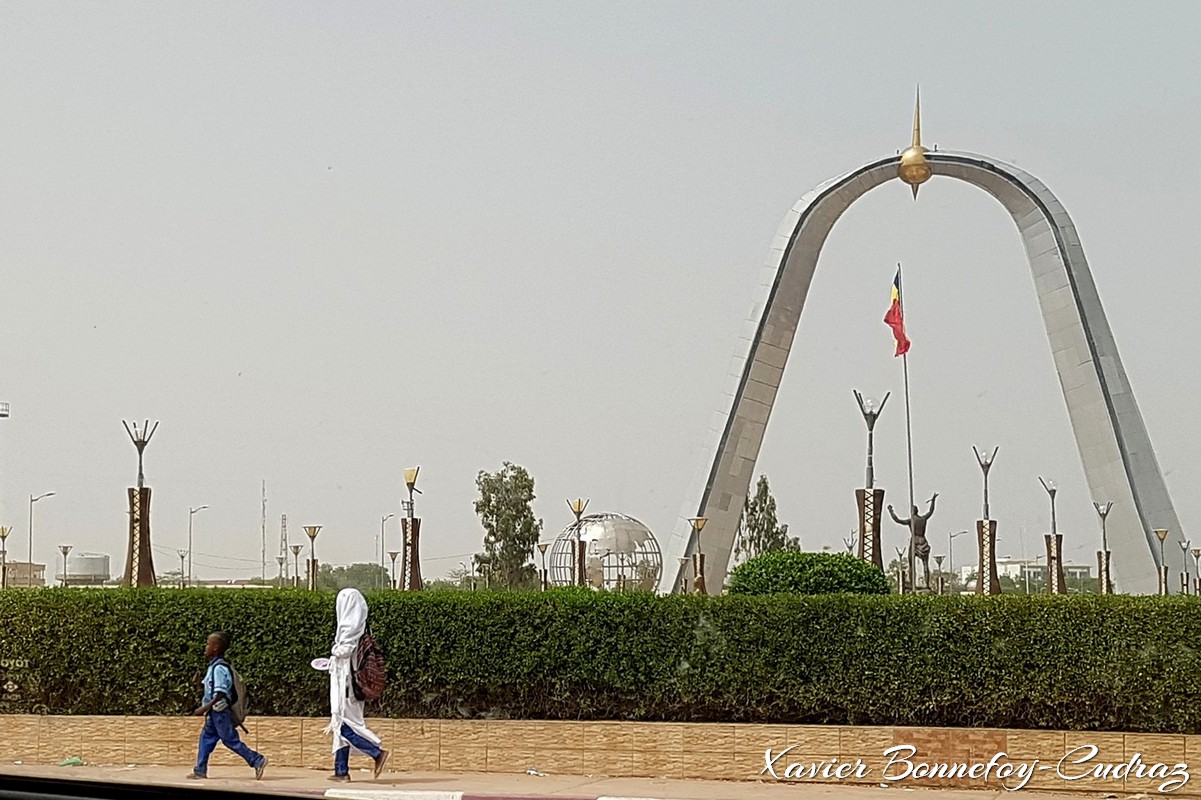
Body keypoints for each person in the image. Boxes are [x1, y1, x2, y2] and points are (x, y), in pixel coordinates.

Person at [324, 588, 389, 782]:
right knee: (342, 725)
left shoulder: (350, 629)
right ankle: (341, 771)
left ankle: (376, 753)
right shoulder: (360, 627)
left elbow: (344, 650)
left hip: (347, 687)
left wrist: (334, 652)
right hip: (350, 685)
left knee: (342, 725)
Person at [188, 631, 267, 780]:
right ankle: (200, 769)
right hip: (214, 713)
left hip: (219, 713)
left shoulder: (219, 668)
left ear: (216, 648)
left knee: (230, 740)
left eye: (208, 644)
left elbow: (220, 693)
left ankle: (257, 760)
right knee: (206, 738)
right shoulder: (214, 667)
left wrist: (204, 708)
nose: (205, 647)